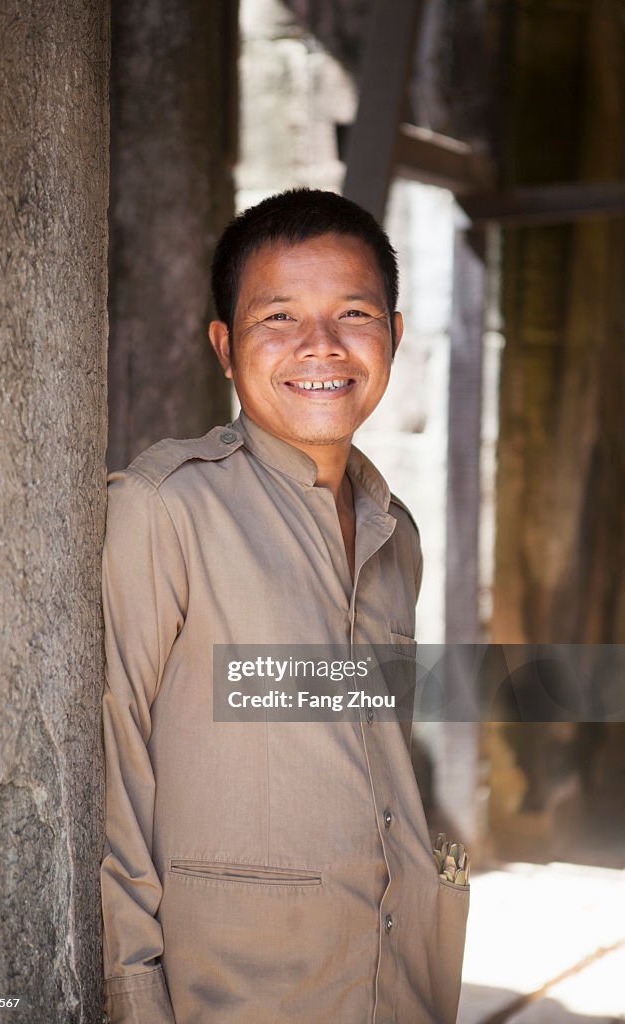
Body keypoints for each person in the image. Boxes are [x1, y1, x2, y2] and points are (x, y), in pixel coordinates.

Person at [101, 188, 469, 1024]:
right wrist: (130, 996)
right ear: (225, 348)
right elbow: (111, 773)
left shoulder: (394, 529)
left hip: (395, 981)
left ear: (395, 336)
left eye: (353, 312)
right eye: (278, 318)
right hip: (238, 994)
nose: (321, 347)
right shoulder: (165, 508)